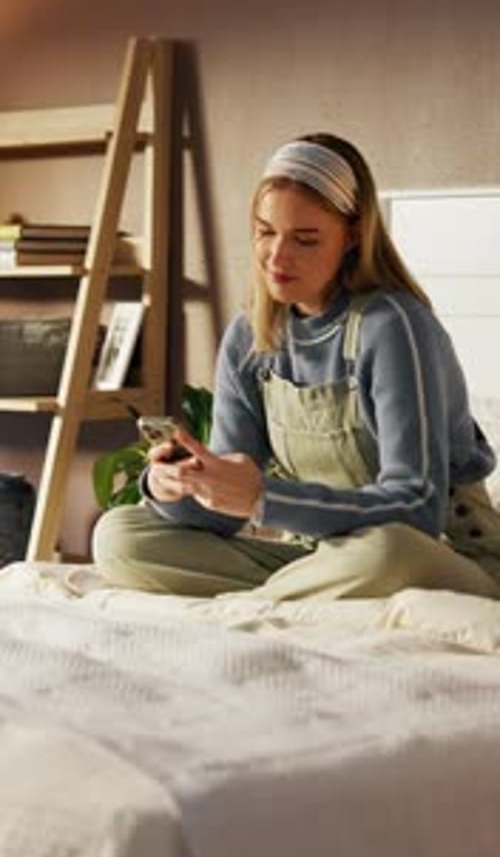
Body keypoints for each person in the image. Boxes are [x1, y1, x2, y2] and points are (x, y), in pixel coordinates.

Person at [92, 132, 500, 600]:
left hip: (437, 554)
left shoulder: (394, 326)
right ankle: (302, 594)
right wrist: (172, 485)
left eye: (305, 240)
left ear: (351, 236)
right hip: (321, 560)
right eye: (266, 232)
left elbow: (416, 507)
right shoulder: (250, 336)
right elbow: (227, 505)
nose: (277, 256)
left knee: (387, 551)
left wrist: (265, 498)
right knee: (120, 536)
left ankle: (277, 598)